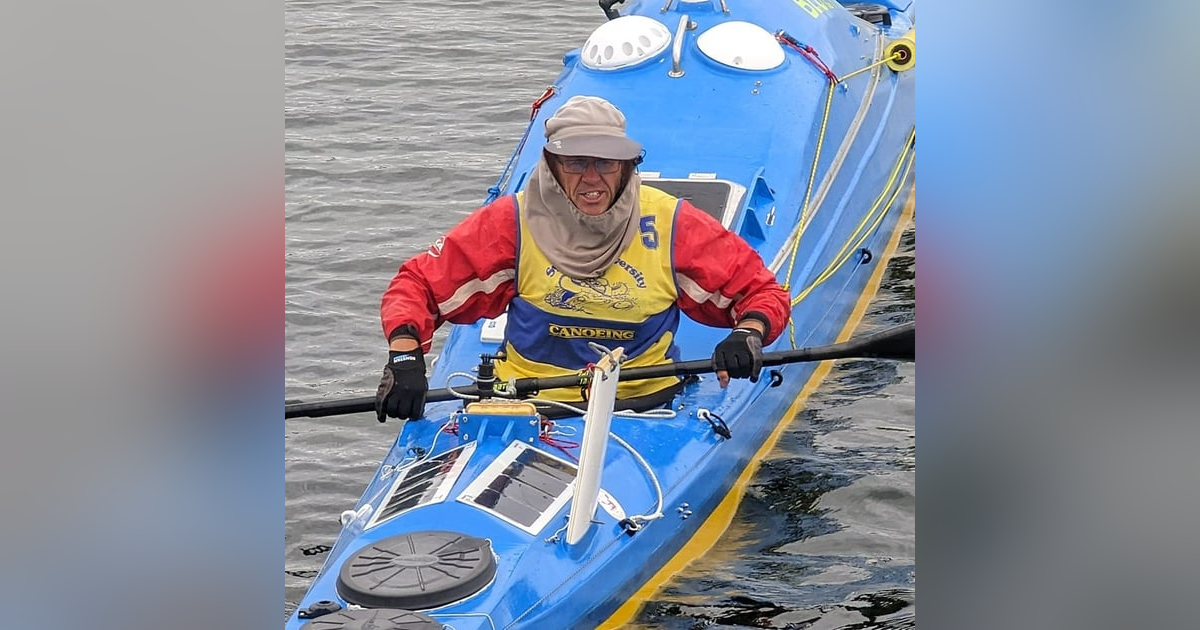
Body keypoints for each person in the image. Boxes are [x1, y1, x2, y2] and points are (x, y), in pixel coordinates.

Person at [375, 95, 790, 421]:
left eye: (606, 162)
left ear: (627, 166)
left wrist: (748, 332)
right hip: (525, 404)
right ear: (552, 166)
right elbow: (417, 284)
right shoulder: (510, 222)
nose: (592, 178)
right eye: (575, 162)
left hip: (642, 403)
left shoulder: (673, 223)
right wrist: (406, 356)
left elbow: (762, 292)